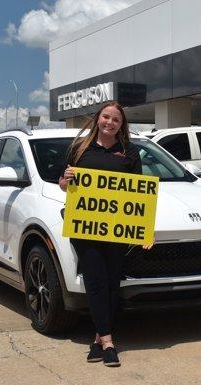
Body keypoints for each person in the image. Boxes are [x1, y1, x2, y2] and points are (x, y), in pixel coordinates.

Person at [59, 101, 153, 367]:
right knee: (95, 280)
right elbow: (63, 185)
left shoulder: (130, 152)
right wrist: (66, 179)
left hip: (117, 229)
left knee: (112, 283)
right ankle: (110, 342)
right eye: (106, 117)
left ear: (122, 126)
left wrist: (145, 230)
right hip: (85, 228)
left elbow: (138, 194)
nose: (109, 123)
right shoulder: (79, 149)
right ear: (97, 119)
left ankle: (98, 339)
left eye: (116, 120)